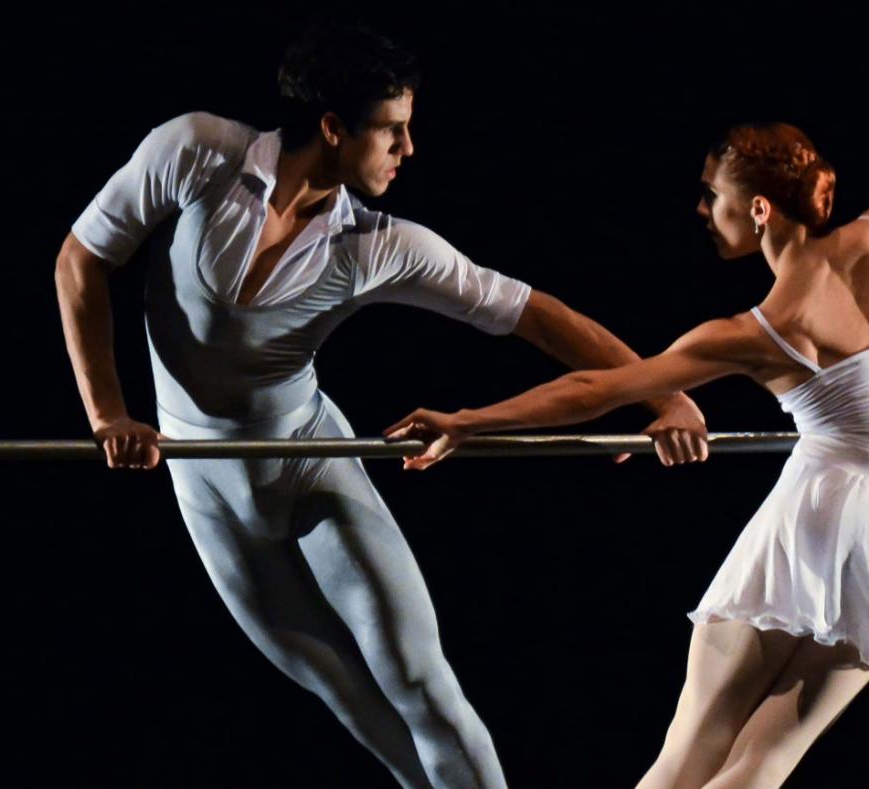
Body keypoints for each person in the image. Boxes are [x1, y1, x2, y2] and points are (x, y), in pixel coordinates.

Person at [53, 22, 707, 789]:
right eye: (393, 130)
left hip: (310, 461)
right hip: (206, 487)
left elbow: (532, 312)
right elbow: (81, 259)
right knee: (350, 697)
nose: (409, 149)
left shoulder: (383, 245)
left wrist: (667, 392)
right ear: (333, 128)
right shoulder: (196, 151)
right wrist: (108, 414)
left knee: (420, 682)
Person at [385, 122, 869, 787]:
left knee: (684, 761)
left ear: (760, 210)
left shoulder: (760, 329)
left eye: (713, 195)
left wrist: (469, 420)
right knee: (759, 769)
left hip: (814, 531)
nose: (703, 210)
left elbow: (595, 387)